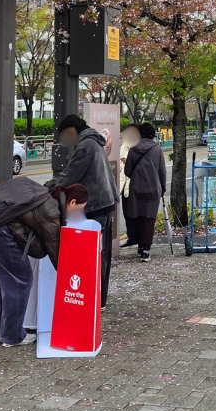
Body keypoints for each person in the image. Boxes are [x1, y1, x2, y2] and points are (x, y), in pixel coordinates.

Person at [0, 177, 70, 347]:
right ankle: (13, 336)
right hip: (2, 232)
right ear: (71, 202)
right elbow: (54, 247)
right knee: (20, 280)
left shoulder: (38, 194)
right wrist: (68, 275)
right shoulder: (50, 209)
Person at [49, 114, 117, 306]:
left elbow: (70, 174)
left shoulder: (86, 145)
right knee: (102, 253)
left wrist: (50, 186)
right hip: (106, 201)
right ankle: (99, 299)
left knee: (97, 255)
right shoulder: (93, 141)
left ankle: (97, 300)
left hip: (96, 204)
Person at [123, 122, 167, 261]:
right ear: (153, 135)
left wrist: (137, 178)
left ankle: (140, 246)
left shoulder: (133, 149)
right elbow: (162, 172)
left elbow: (127, 171)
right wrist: (163, 188)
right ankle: (146, 251)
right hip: (153, 188)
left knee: (138, 217)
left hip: (136, 188)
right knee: (149, 219)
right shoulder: (157, 150)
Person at [118, 124, 142, 248]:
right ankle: (131, 237)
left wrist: (130, 163)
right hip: (124, 185)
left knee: (137, 214)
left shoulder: (140, 147)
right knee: (127, 214)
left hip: (136, 185)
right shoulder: (123, 148)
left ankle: (141, 240)